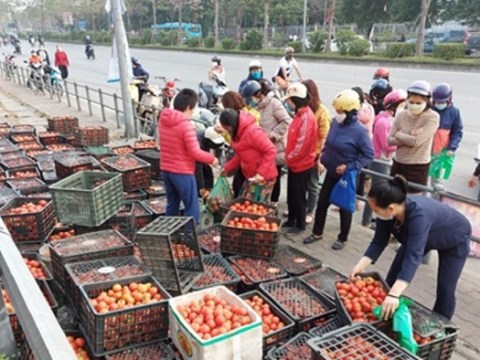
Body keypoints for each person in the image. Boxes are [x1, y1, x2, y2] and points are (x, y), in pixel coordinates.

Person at [351, 175, 471, 320]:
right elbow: (378, 242)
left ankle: (441, 325)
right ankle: (384, 313)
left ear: (390, 208)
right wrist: (360, 265)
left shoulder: (419, 216)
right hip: (422, 238)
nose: (374, 213)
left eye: (375, 210)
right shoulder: (388, 215)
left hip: (454, 237)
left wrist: (394, 294)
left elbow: (413, 256)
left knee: (446, 287)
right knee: (393, 275)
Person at [303, 89, 374, 250]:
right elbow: (329, 141)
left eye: (341, 111)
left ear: (350, 112)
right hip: (331, 170)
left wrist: (349, 166)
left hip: (346, 175)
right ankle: (317, 232)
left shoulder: (360, 131)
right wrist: (323, 155)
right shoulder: (336, 122)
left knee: (344, 206)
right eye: (337, 110)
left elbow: (369, 155)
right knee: (322, 202)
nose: (338, 113)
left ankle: (343, 237)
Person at [158, 88, 219, 225]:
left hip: (166, 170)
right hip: (182, 172)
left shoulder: (163, 119)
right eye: (193, 109)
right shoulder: (186, 126)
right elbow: (195, 152)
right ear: (187, 107)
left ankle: (170, 234)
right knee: (191, 207)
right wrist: (212, 159)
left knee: (172, 204)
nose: (193, 112)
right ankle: (190, 238)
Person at [362, 90, 407, 227]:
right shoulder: (383, 121)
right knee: (377, 193)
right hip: (380, 160)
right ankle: (366, 221)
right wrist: (402, 143)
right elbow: (386, 145)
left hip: (385, 160)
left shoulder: (389, 119)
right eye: (402, 104)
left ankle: (370, 220)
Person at [245, 79, 291, 205]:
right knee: (266, 176)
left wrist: (273, 134)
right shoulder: (259, 107)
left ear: (258, 94)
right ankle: (265, 201)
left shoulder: (274, 103)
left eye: (251, 98)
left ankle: (273, 202)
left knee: (274, 175)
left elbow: (287, 121)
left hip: (277, 148)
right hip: (264, 148)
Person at [388, 80, 439, 192]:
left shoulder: (432, 117)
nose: (414, 105)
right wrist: (409, 135)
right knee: (393, 197)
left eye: (418, 103)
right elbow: (390, 140)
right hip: (398, 163)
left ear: (427, 102)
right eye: (411, 102)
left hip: (417, 166)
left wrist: (400, 134)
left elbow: (417, 142)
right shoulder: (401, 115)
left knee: (413, 201)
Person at [219, 109, 278, 202]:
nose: (227, 131)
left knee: (258, 208)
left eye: (227, 129)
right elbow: (240, 155)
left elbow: (271, 150)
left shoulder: (252, 132)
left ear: (232, 125)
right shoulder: (237, 134)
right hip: (251, 176)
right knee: (247, 205)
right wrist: (227, 168)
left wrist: (261, 173)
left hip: (264, 178)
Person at [282, 83, 318, 233]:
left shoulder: (306, 117)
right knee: (292, 194)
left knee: (299, 195)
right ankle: (292, 219)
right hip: (294, 163)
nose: (289, 103)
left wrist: (289, 157)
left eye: (290, 100)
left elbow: (302, 144)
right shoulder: (300, 115)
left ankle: (300, 223)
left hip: (302, 164)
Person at [303, 79, 331, 224]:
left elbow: (324, 136)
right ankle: (301, 207)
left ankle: (310, 211)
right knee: (302, 183)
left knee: (313, 184)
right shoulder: (303, 109)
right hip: (303, 153)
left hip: (315, 154)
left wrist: (320, 158)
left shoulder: (322, 112)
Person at [430, 83, 463, 187]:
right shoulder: (429, 109)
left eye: (442, 102)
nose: (439, 104)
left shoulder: (454, 112)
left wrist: (451, 148)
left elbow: (457, 132)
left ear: (449, 99)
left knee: (437, 183)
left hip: (440, 154)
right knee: (421, 181)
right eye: (437, 101)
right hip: (425, 152)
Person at [195, 126, 225, 198]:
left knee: (207, 171)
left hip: (200, 158)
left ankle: (208, 192)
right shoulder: (198, 142)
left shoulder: (207, 136)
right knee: (199, 175)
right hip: (190, 162)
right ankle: (199, 195)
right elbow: (198, 167)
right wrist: (201, 186)